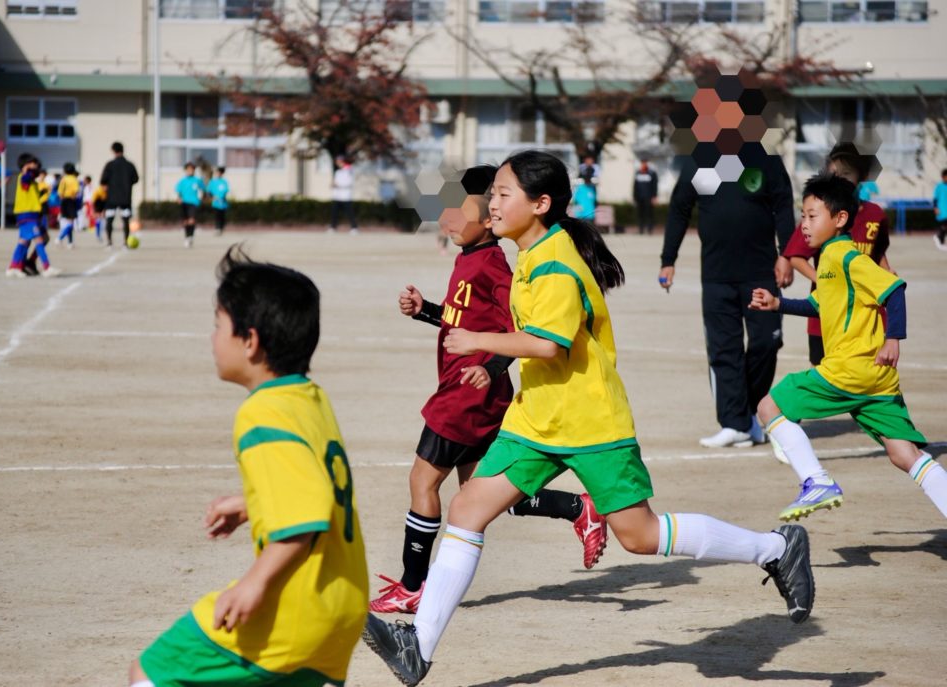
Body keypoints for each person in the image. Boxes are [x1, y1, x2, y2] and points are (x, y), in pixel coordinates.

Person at [363, 151, 815, 686]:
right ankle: (418, 646)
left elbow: (548, 345)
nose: (492, 205)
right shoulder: (531, 253)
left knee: (640, 536)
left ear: (540, 204)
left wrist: (477, 342)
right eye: (492, 195)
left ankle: (775, 548)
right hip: (536, 418)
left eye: (503, 194)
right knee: (466, 509)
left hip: (589, 419)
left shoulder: (555, 263)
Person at [369, 166, 609, 616]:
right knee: (481, 492)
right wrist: (426, 311)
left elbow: (523, 329)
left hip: (467, 395)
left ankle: (413, 585)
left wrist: (492, 366)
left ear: (488, 219)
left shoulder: (494, 265)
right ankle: (577, 507)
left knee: (423, 480)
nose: (448, 219)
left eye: (459, 210)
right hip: (470, 392)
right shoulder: (469, 257)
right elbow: (464, 318)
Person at [129, 246, 368, 687]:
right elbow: (314, 481)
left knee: (151, 670)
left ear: (250, 342)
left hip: (294, 606)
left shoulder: (261, 414)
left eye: (218, 325)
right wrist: (252, 503)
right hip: (342, 605)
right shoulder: (309, 398)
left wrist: (253, 583)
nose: (212, 338)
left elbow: (308, 511)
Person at [749, 172, 945, 524]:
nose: (804, 224)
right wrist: (779, 304)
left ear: (840, 218)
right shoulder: (828, 257)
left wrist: (893, 338)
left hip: (850, 369)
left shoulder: (846, 256)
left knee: (768, 406)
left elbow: (894, 289)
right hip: (877, 380)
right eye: (802, 216)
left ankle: (817, 481)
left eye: (812, 216)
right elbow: (820, 305)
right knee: (904, 454)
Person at [659, 148, 795, 449]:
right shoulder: (700, 161)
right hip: (716, 276)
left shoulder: (766, 161)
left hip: (761, 273)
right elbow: (680, 208)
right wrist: (668, 259)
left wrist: (787, 255)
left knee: (767, 342)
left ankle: (748, 414)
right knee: (724, 350)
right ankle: (736, 424)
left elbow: (784, 207)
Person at [783, 144, 892, 368]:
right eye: (834, 173)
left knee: (863, 376)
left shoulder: (875, 214)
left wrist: (887, 272)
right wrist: (820, 279)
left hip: (865, 318)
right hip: (826, 317)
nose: (840, 178)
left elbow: (878, 252)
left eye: (846, 173)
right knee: (823, 377)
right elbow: (795, 255)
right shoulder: (821, 217)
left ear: (861, 176)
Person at [6, 153, 59, 278]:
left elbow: (32, 195)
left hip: (34, 215)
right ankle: (47, 267)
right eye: (32, 163)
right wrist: (28, 172)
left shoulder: (33, 181)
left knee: (31, 240)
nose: (35, 166)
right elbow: (26, 180)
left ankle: (15, 266)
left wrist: (42, 192)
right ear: (25, 166)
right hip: (26, 214)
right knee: (38, 239)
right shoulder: (24, 177)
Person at [99, 141, 140, 248]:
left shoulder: (110, 165)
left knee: (109, 219)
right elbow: (136, 179)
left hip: (111, 197)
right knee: (125, 220)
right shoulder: (129, 165)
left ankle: (109, 242)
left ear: (113, 151)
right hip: (125, 197)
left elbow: (103, 181)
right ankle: (125, 242)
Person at [176, 162, 206, 248]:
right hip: (184, 203)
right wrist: (179, 198)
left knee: (192, 220)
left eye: (192, 169)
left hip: (194, 202)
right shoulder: (182, 181)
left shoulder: (197, 180)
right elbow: (179, 191)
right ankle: (187, 237)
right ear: (186, 170)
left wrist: (202, 198)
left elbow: (203, 190)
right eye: (188, 169)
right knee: (185, 221)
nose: (190, 171)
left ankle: (190, 237)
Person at [329, 155, 358, 234]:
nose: (337, 163)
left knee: (350, 213)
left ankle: (354, 228)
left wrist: (337, 184)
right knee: (334, 213)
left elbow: (349, 182)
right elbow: (335, 182)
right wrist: (333, 185)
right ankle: (333, 227)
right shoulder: (338, 172)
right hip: (337, 196)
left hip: (346, 196)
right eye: (337, 162)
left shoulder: (349, 170)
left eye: (339, 161)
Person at [55, 163, 81, 248]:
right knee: (71, 222)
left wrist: (62, 199)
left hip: (64, 201)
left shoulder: (63, 179)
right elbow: (76, 191)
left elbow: (60, 192)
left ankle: (70, 242)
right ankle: (60, 237)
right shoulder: (74, 179)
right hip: (71, 201)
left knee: (67, 222)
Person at [632, 158, 658, 235]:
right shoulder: (638, 173)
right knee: (640, 214)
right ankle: (641, 229)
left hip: (649, 197)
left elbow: (654, 186)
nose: (643, 164)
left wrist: (654, 196)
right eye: (642, 163)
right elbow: (635, 186)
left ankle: (650, 229)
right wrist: (634, 196)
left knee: (649, 214)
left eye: (645, 163)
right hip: (639, 197)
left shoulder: (652, 173)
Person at [207, 166, 230, 236]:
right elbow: (208, 191)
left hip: (223, 202)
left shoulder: (224, 182)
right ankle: (217, 228)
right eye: (217, 172)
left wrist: (222, 198)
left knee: (222, 216)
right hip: (215, 202)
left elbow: (226, 191)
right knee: (217, 215)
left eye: (220, 172)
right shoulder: (212, 182)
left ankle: (221, 228)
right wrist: (212, 197)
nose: (219, 174)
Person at [934, 168, 947, 251]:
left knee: (944, 227)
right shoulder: (939, 186)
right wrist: (935, 208)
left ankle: (941, 241)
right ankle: (938, 237)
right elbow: (935, 198)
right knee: (944, 225)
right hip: (942, 210)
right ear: (943, 177)